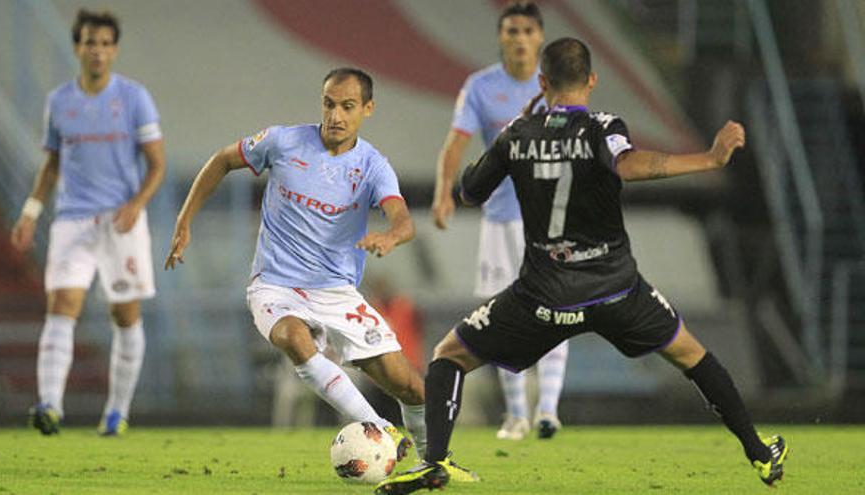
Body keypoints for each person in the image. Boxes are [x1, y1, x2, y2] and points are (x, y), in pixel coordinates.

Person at [376, 38, 788, 494]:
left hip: (543, 297)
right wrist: (709, 159)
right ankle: (758, 451)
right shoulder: (604, 126)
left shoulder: (518, 133)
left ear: (542, 82)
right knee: (694, 356)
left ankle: (435, 462)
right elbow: (629, 166)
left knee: (448, 357)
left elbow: (470, 192)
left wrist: (518, 129)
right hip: (618, 291)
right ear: (592, 80)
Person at [164, 68, 470, 479]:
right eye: (329, 104)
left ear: (367, 109)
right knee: (293, 336)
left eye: (347, 107)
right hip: (275, 286)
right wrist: (185, 220)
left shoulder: (372, 166)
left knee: (412, 387)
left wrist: (390, 238)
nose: (336, 116)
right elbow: (222, 160)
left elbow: (404, 220)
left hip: (337, 293)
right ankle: (380, 429)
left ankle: (433, 463)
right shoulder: (283, 141)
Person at [11, 8, 166, 436]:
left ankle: (117, 411)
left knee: (125, 315)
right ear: (77, 47)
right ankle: (49, 405)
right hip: (73, 219)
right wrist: (30, 211)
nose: (96, 51)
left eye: (104, 44)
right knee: (62, 307)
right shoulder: (59, 102)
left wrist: (136, 204)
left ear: (114, 50)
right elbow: (53, 165)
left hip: (121, 221)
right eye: (89, 43)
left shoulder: (135, 98)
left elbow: (157, 165)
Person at [432, 1, 567, 440]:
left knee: (558, 311)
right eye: (511, 30)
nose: (520, 38)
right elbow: (456, 143)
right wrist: (444, 194)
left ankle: (547, 409)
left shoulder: (558, 86)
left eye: (527, 30)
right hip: (501, 219)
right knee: (504, 316)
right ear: (501, 36)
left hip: (552, 218)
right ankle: (516, 413)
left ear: (540, 36)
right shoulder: (481, 87)